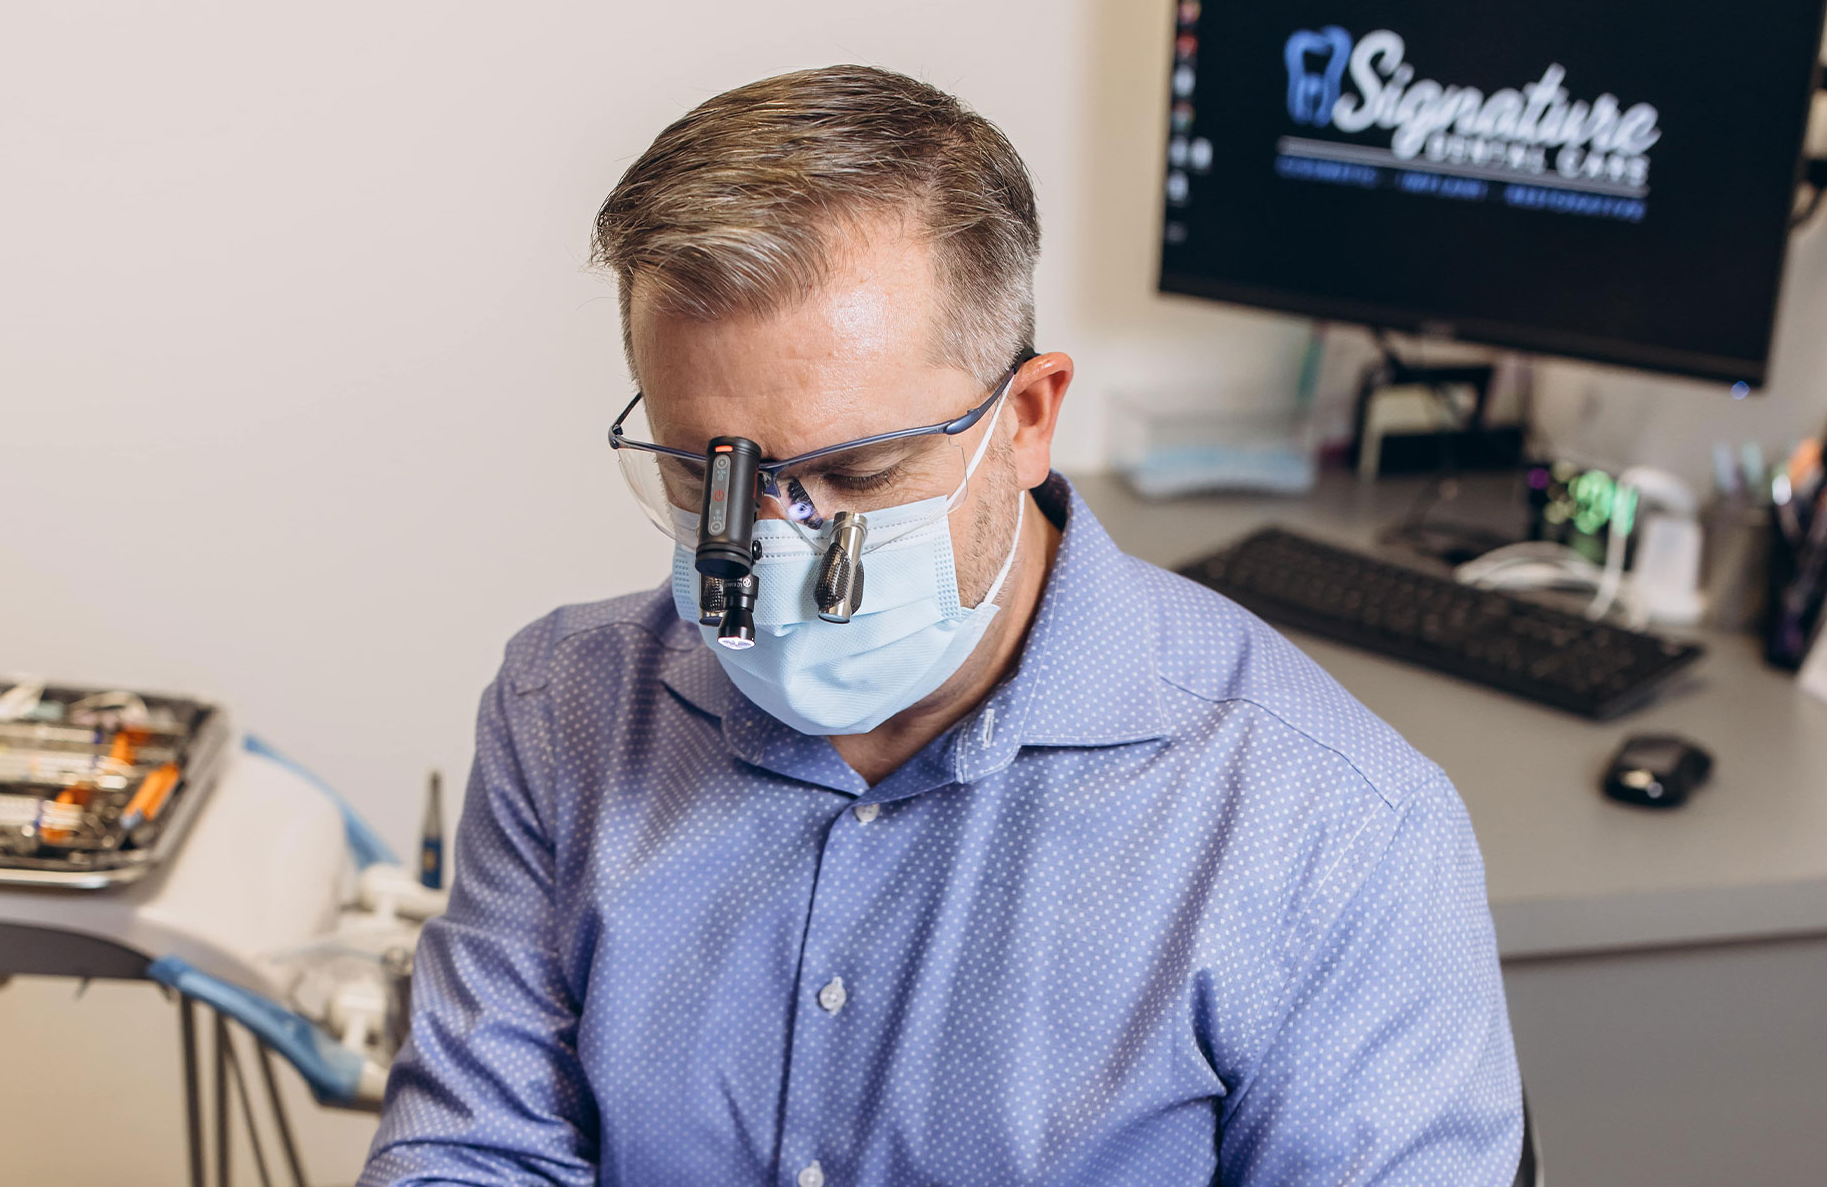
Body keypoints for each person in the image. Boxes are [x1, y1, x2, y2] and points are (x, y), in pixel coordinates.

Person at [360, 64, 1522, 1186]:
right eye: (709, 478)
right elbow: (470, 1158)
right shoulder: (564, 713)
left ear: (1026, 418)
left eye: (857, 473)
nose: (773, 548)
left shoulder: (1332, 833)